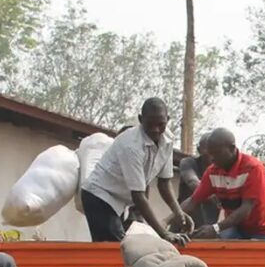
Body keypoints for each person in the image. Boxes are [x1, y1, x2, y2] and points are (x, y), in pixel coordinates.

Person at [80, 98, 189, 245]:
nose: (155, 129)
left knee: (123, 248)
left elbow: (164, 183)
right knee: (117, 250)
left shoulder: (168, 140)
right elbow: (138, 195)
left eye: (161, 124)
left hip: (120, 202)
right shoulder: (131, 146)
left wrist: (179, 213)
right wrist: (164, 234)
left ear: (167, 120)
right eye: (150, 124)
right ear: (140, 119)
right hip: (99, 196)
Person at [178, 128, 265, 240]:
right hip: (234, 227)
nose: (212, 159)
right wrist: (167, 221)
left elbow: (246, 209)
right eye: (210, 154)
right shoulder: (212, 171)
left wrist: (215, 228)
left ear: (232, 148)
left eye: (217, 153)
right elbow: (193, 200)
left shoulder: (253, 168)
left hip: (261, 230)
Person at [178, 132, 220, 227]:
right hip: (184, 220)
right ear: (199, 150)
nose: (211, 153)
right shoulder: (188, 162)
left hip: (209, 225)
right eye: (207, 148)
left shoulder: (221, 168)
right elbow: (192, 182)